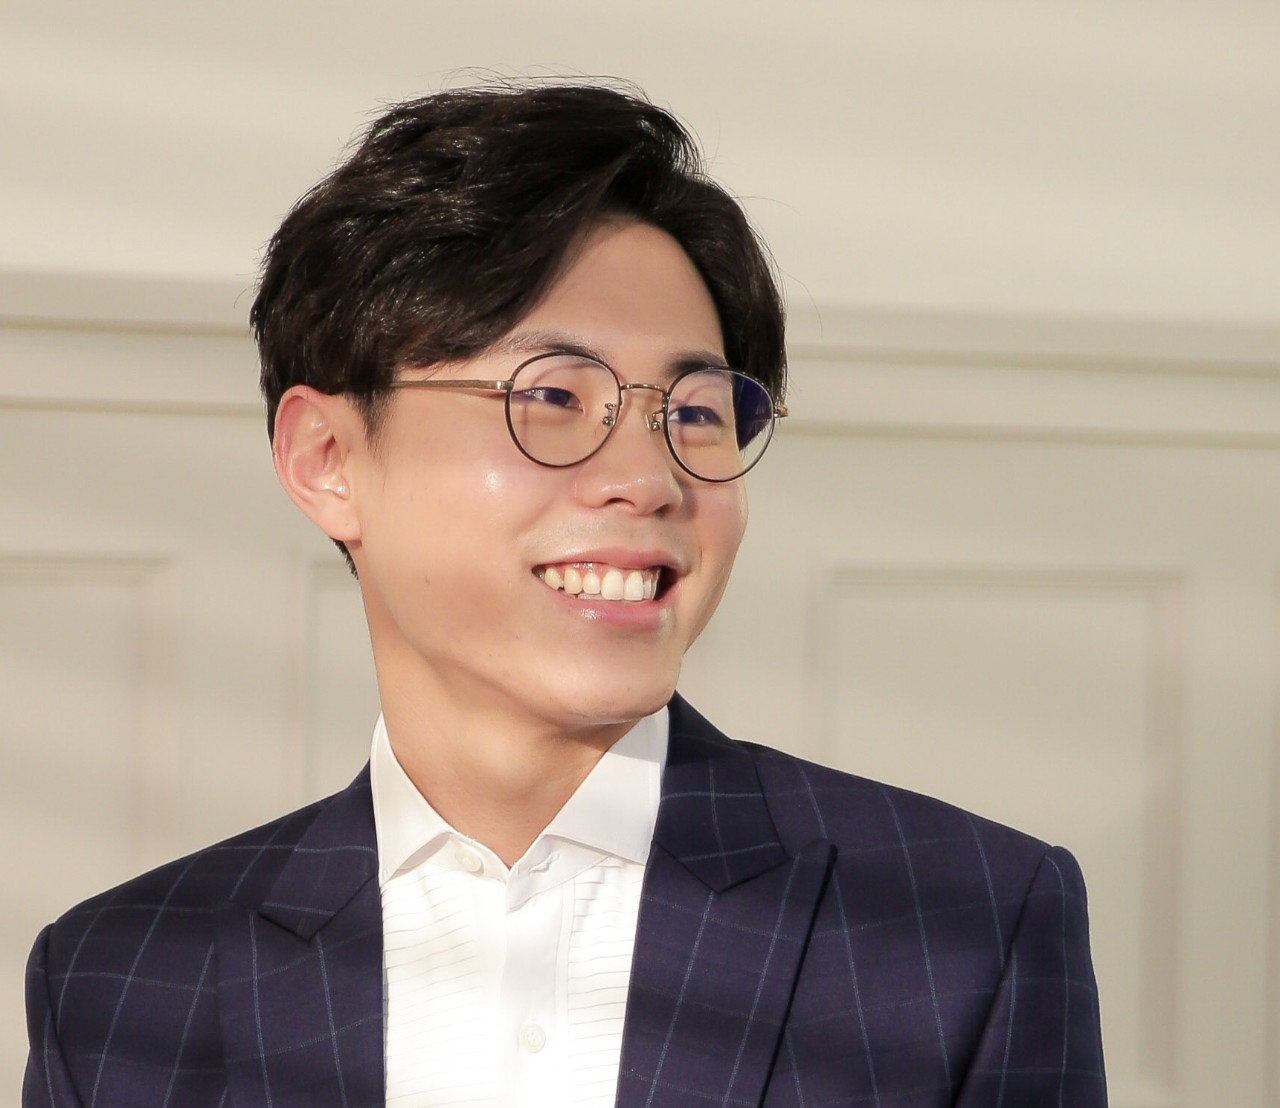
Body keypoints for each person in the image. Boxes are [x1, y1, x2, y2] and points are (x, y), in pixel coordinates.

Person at [24, 83, 1107, 1106]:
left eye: (695, 411)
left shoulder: (963, 924)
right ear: (327, 459)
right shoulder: (120, 981)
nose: (648, 477)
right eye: (551, 396)